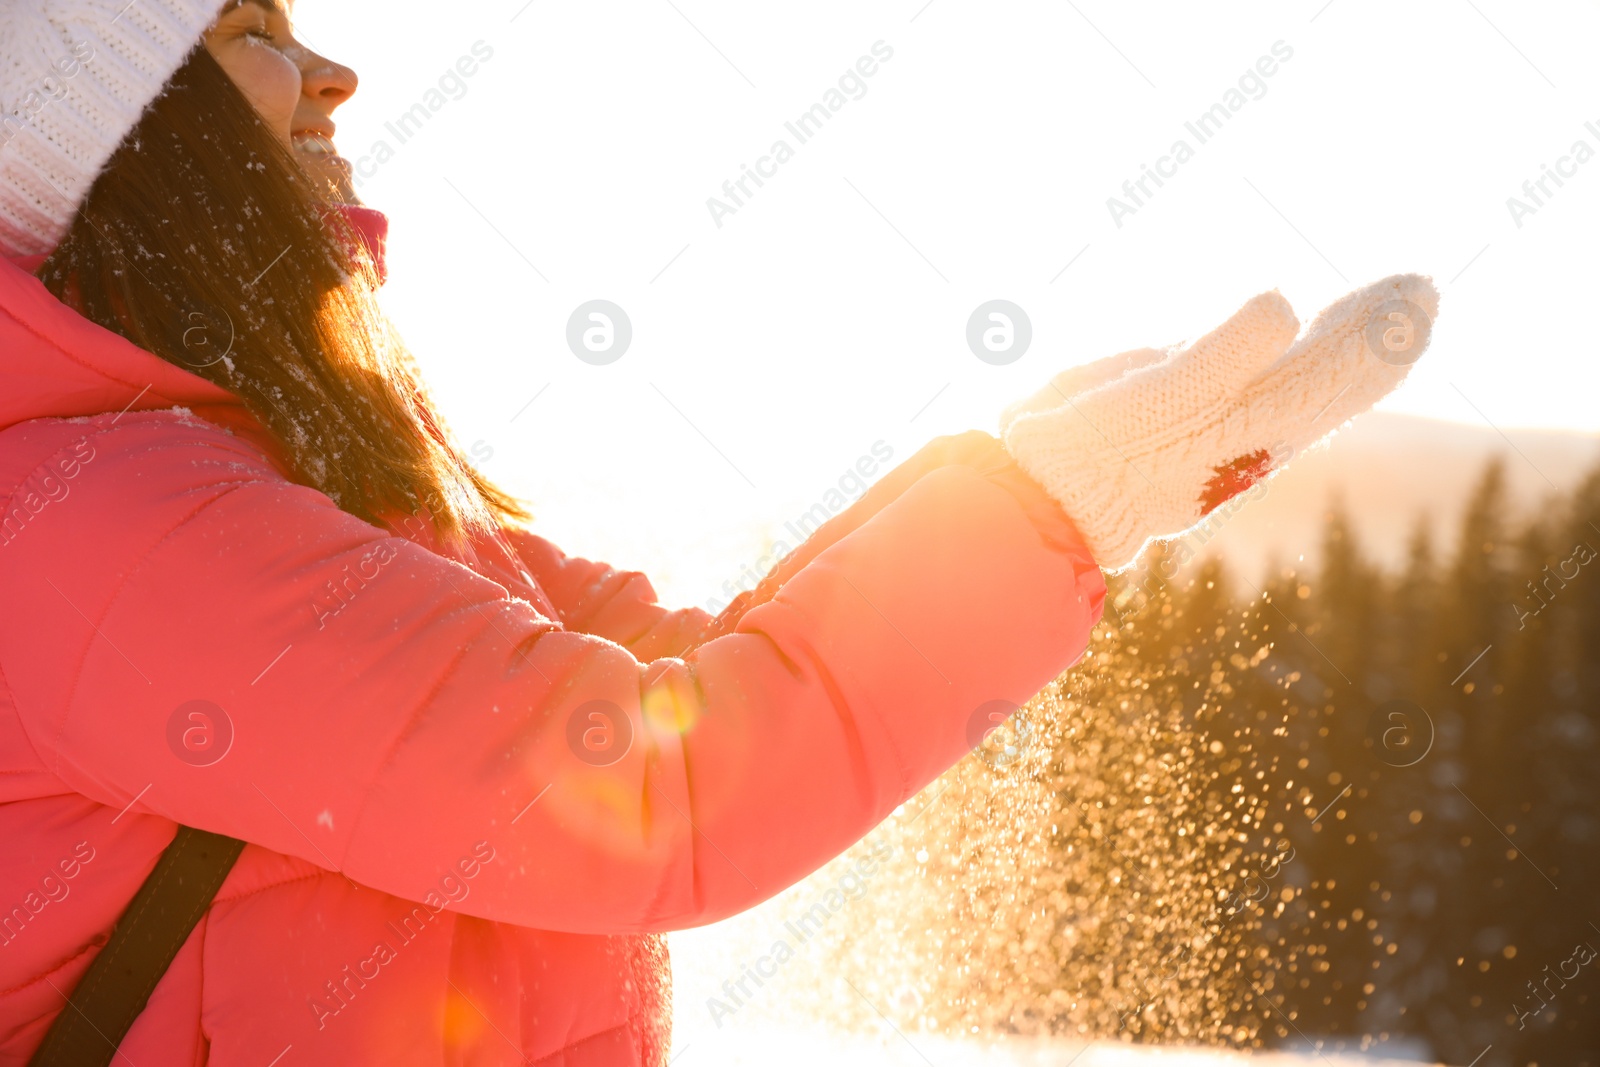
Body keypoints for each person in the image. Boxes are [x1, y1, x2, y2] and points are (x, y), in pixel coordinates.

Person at [0, 1, 1438, 1063]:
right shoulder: (110, 542)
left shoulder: (269, 487)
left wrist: (1021, 489)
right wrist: (1046, 513)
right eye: (249, 22)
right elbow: (651, 800)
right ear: (102, 117)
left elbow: (686, 682)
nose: (336, 72)